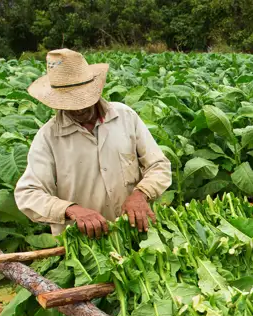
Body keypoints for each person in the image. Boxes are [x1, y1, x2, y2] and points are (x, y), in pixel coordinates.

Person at [15, 49, 171, 238]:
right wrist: (70, 209)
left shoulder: (125, 117)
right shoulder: (48, 137)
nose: (78, 109)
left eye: (82, 100)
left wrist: (141, 194)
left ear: (95, 90)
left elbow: (159, 165)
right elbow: (28, 194)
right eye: (68, 103)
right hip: (83, 244)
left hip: (135, 233)